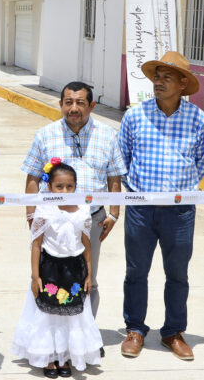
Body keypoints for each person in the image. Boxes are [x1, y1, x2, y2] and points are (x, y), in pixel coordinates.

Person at [117, 51, 204, 361]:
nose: (158, 82)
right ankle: (135, 329)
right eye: (156, 76)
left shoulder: (198, 119)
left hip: (180, 213)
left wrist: (179, 192)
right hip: (141, 210)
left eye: (166, 77)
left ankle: (173, 332)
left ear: (182, 83)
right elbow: (123, 159)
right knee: (136, 272)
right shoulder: (135, 115)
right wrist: (137, 194)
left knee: (178, 275)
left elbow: (201, 164)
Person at [22, 81, 126, 330]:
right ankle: (52, 337)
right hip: (51, 224)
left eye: (80, 102)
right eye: (68, 102)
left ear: (91, 105)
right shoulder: (45, 135)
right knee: (50, 279)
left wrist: (113, 215)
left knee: (88, 279)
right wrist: (31, 217)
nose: (74, 108)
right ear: (60, 104)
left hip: (90, 221)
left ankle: (85, 337)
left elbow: (114, 177)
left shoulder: (107, 135)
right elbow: (33, 177)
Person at [12, 159, 102, 378]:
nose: (65, 190)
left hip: (75, 269)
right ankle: (49, 357)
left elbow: (87, 244)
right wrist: (35, 277)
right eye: (59, 186)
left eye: (70, 186)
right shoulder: (44, 209)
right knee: (48, 314)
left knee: (71, 315)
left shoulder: (82, 209)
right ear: (49, 187)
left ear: (76, 186)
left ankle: (65, 357)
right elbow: (35, 244)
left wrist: (89, 274)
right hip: (50, 268)